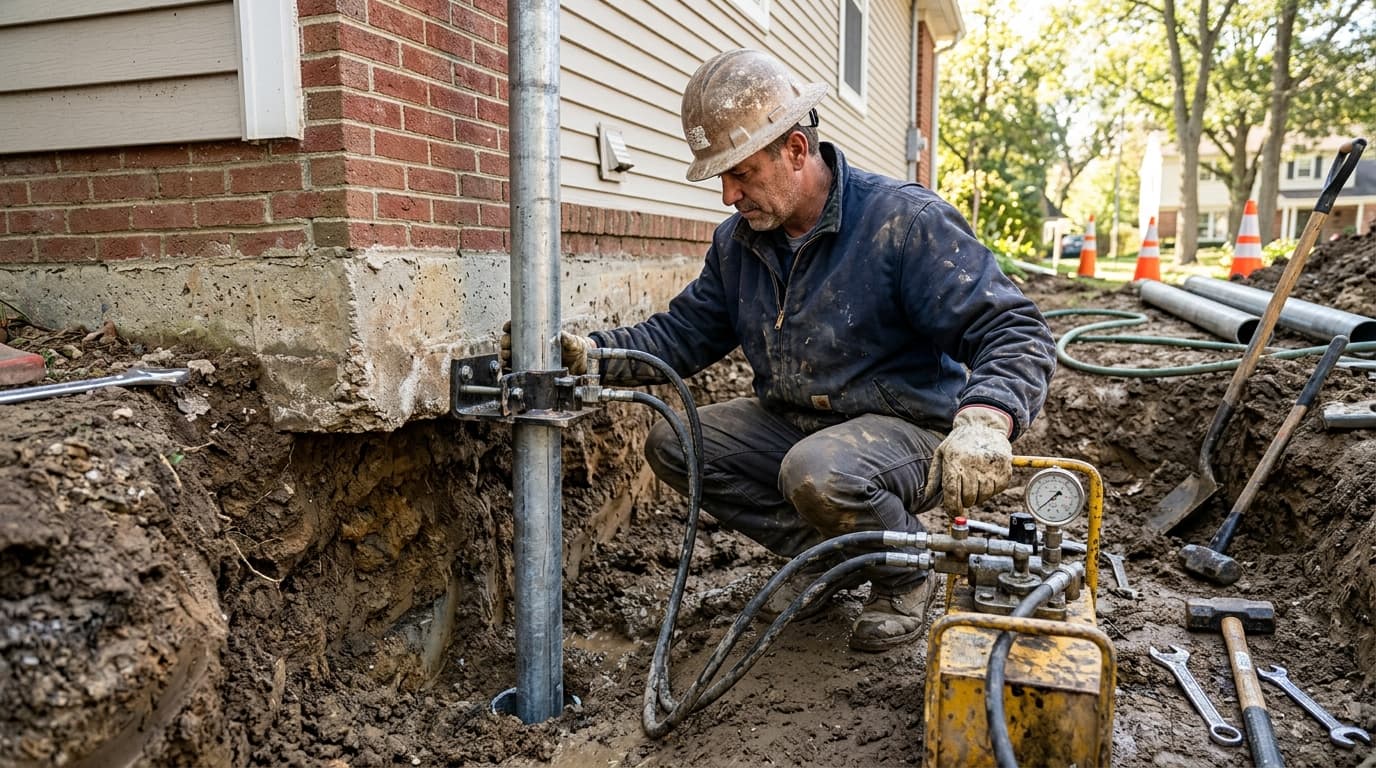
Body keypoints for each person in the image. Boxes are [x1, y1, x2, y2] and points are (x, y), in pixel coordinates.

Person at [503, 48, 1056, 652]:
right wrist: (594, 354)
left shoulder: (902, 223)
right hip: (798, 424)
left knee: (817, 472)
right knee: (674, 442)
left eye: (741, 173)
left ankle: (904, 572)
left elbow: (1013, 328)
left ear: (795, 149)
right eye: (722, 178)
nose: (728, 195)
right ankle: (833, 557)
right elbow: (681, 334)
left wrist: (986, 419)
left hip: (907, 432)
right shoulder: (739, 244)